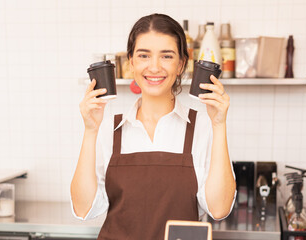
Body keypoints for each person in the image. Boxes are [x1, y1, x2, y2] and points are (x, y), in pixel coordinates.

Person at [71, 13, 236, 239]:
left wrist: (219, 125)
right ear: (132, 63)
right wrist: (90, 131)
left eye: (167, 56)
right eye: (144, 55)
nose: (155, 67)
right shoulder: (108, 128)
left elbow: (219, 209)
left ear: (181, 65)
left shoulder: (203, 128)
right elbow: (83, 209)